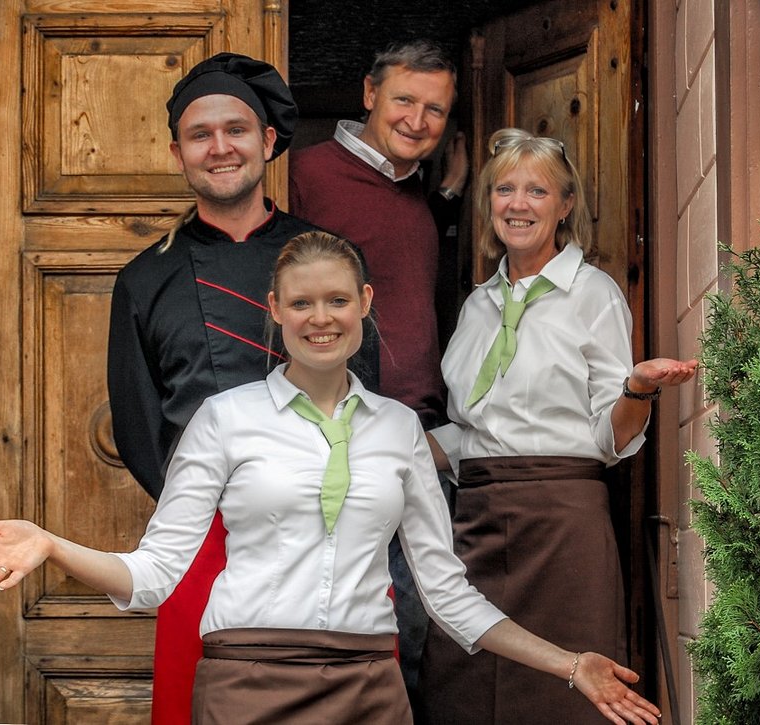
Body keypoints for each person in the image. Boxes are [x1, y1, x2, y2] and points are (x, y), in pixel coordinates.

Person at [0, 231, 663, 725]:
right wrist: (51, 544)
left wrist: (571, 664)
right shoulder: (225, 419)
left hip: (368, 689)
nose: (319, 318)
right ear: (275, 311)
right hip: (245, 685)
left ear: (364, 303)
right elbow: (156, 573)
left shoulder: (396, 431)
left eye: (335, 300)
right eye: (301, 303)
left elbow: (448, 595)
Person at [105, 53, 373, 725]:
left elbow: (367, 395)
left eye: (237, 129)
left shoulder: (329, 258)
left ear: (269, 142)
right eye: (200, 134)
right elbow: (139, 430)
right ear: (177, 153)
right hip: (202, 541)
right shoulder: (144, 280)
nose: (220, 147)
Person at [418, 128, 699, 724]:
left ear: (565, 205)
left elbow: (610, 439)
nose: (517, 204)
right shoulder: (476, 305)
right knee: (460, 685)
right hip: (474, 521)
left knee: (561, 700)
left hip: (564, 522)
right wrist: (385, 449)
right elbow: (470, 432)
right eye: (503, 189)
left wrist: (638, 389)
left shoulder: (594, 294)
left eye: (536, 190)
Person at [288, 38, 468, 702]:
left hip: (419, 445)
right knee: (325, 631)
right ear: (369, 94)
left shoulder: (421, 202)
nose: (418, 121)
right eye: (403, 101)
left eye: (435, 110)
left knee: (418, 633)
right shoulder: (305, 175)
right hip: (331, 441)